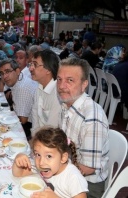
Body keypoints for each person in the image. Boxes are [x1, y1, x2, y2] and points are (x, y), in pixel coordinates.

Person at [56, 58, 109, 198]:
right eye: (59, 79)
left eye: (70, 80)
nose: (62, 86)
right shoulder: (67, 104)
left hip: (87, 186)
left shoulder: (91, 118)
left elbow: (88, 168)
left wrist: (55, 171)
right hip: (69, 169)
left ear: (84, 84)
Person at [12, 127, 88, 198]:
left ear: (63, 158)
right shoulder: (44, 166)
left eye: (49, 156)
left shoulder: (74, 178)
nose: (41, 162)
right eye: (38, 154)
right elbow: (19, 174)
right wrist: (18, 161)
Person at [0, 59, 38, 140]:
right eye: (2, 73)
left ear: (17, 71)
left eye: (8, 71)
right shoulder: (19, 81)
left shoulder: (22, 88)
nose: (4, 77)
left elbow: (23, 120)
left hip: (29, 130)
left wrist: (4, 118)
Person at [30, 49, 61, 135]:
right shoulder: (39, 87)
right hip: (39, 138)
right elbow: (35, 117)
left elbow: (52, 128)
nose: (30, 68)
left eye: (35, 65)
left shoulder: (58, 94)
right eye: (31, 64)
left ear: (48, 69)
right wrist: (34, 137)